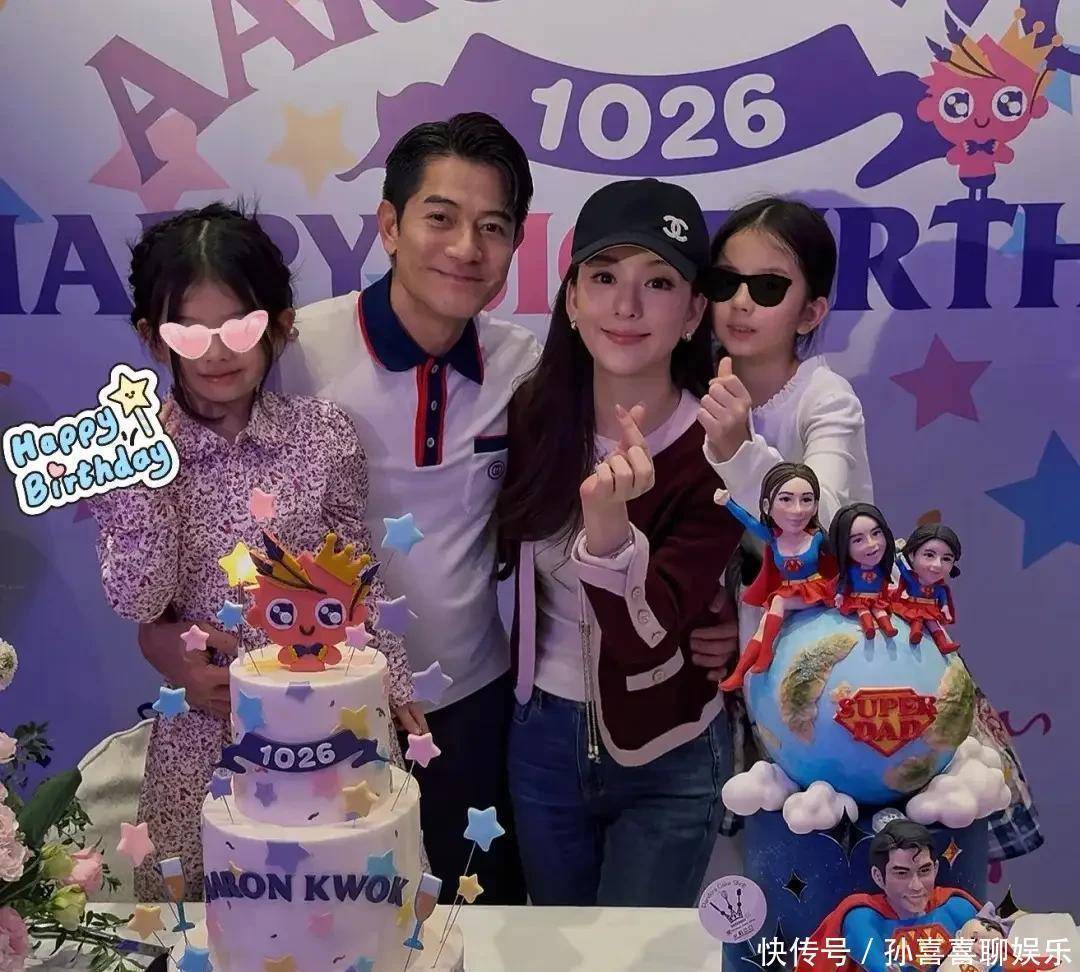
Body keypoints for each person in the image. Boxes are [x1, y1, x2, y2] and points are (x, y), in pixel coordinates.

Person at [88, 203, 414, 900]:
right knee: (199, 918)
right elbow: (139, 600)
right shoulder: (136, 455)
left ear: (280, 326)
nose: (216, 352)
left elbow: (355, 577)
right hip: (201, 737)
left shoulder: (324, 436)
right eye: (190, 330)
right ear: (152, 338)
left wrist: (390, 680)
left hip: (319, 724)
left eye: (238, 326)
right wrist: (145, 480)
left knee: (332, 909)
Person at [271, 112, 537, 903]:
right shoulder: (297, 351)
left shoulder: (525, 364)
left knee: (476, 923)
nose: (467, 247)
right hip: (319, 702)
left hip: (470, 707)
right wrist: (165, 634)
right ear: (389, 226)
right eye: (441, 218)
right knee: (325, 929)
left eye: (493, 227)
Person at [497, 178, 743, 906]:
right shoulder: (529, 415)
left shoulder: (718, 446)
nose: (626, 306)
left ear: (694, 310)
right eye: (603, 277)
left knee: (638, 953)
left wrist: (607, 536)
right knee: (556, 948)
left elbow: (646, 638)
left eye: (658, 282)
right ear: (572, 300)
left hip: (671, 749)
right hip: (539, 737)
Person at [796, 818, 993, 972]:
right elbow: (876, 962)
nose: (916, 886)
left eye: (924, 871)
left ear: (935, 869)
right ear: (878, 876)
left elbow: (996, 961)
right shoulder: (862, 918)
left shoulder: (957, 909)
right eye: (901, 873)